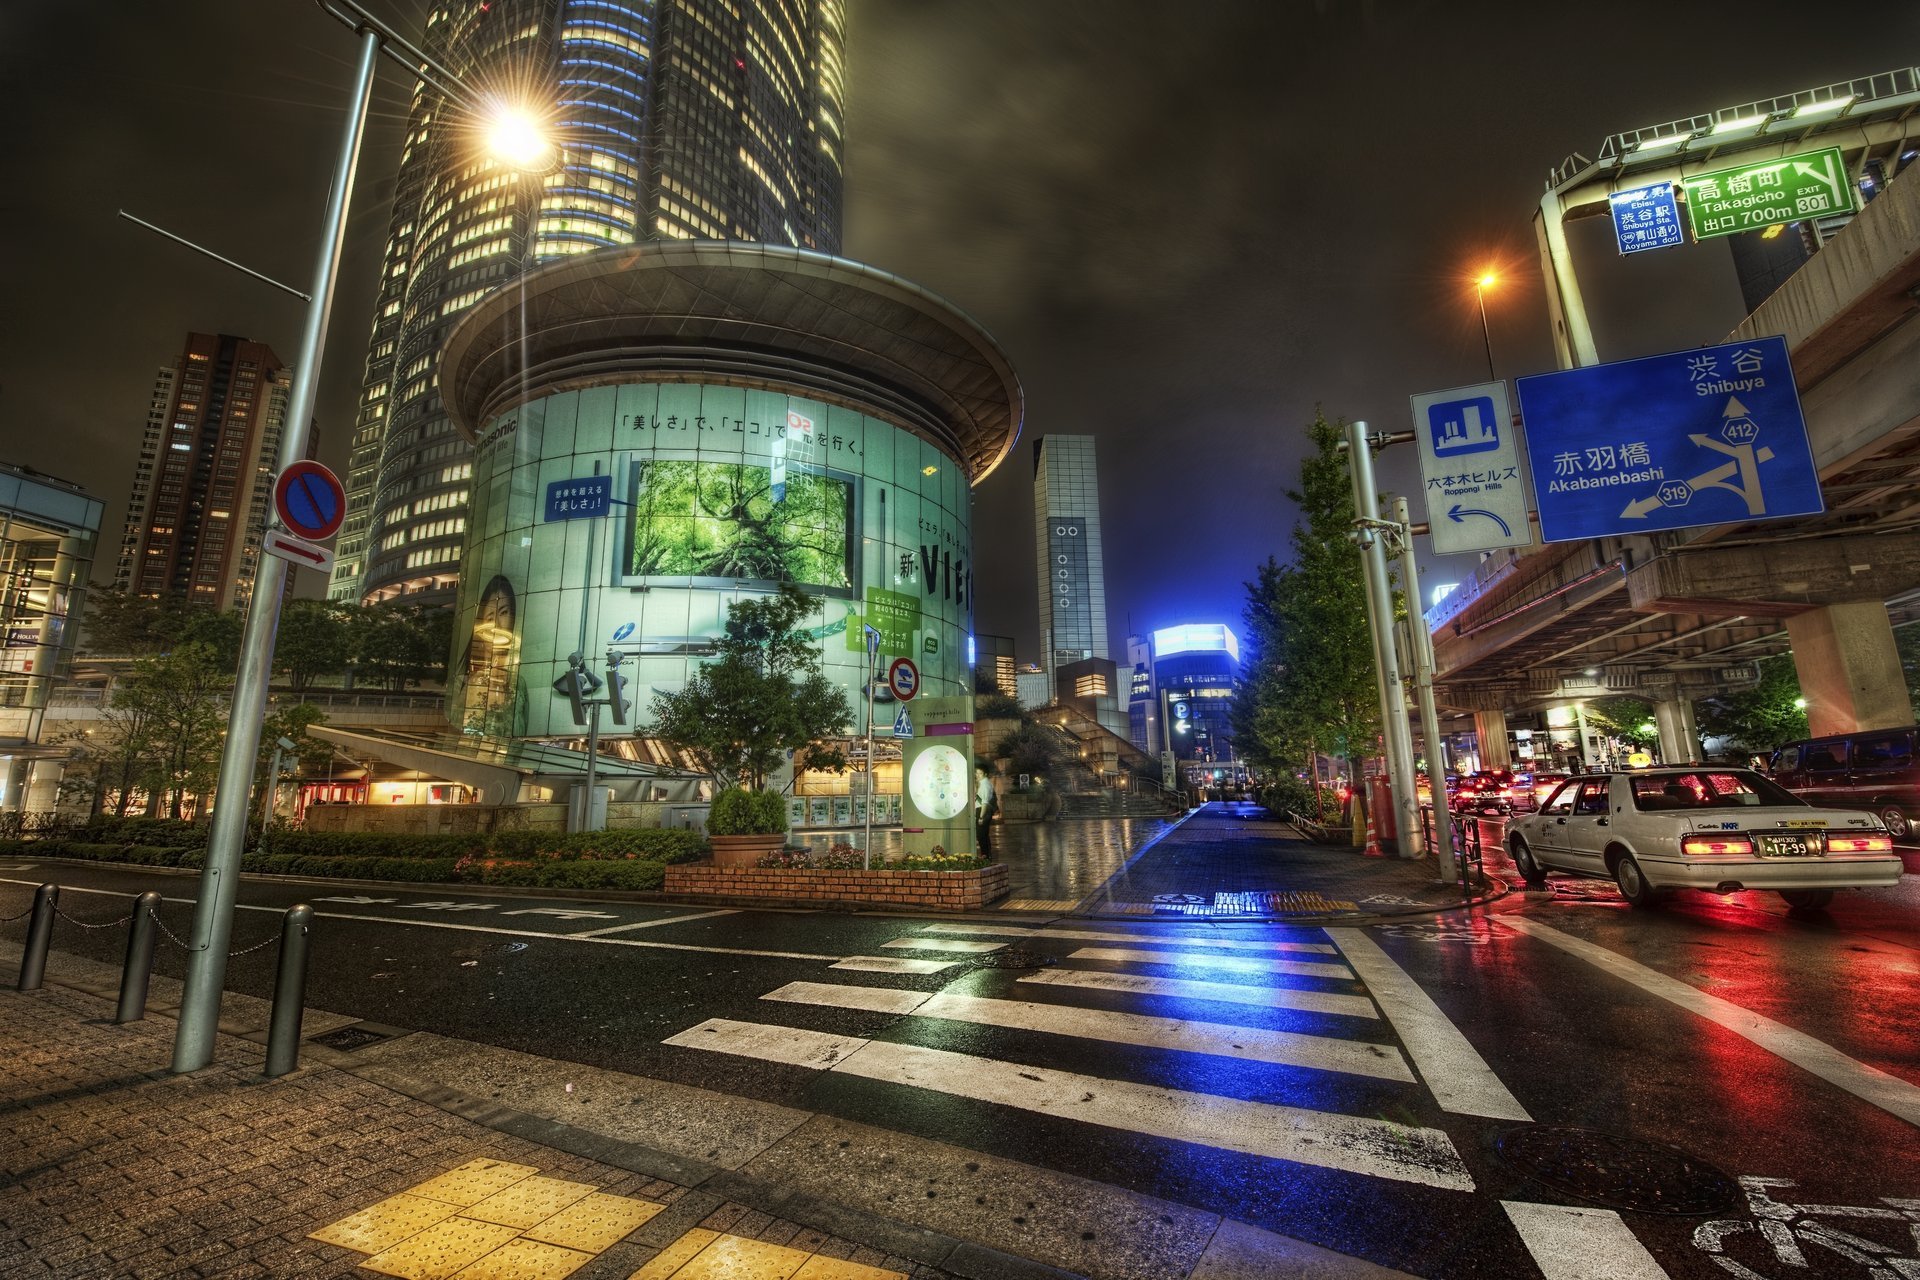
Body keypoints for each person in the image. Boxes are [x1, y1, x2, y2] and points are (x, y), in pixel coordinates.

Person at [975, 766, 997, 857]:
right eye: (976, 773)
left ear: (985, 774)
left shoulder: (984, 785)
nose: (977, 775)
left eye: (980, 773)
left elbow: (984, 803)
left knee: (981, 836)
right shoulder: (984, 783)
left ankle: (985, 856)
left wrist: (981, 817)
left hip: (982, 811)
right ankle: (987, 855)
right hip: (983, 810)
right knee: (984, 835)